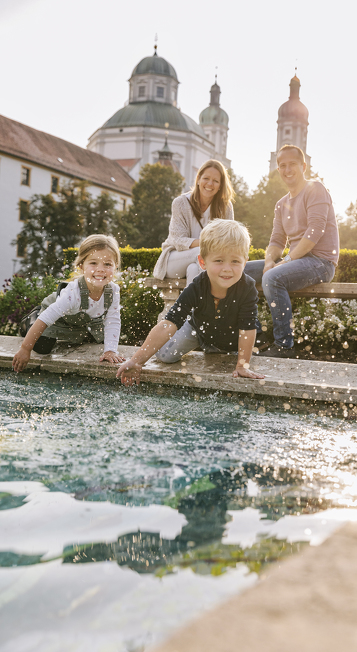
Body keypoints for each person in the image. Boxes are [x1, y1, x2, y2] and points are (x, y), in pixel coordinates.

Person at [116, 219, 265, 386]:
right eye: (219, 261)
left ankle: (225, 352)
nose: (227, 268)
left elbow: (247, 328)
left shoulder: (247, 287)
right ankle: (200, 341)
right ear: (203, 262)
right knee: (165, 356)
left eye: (235, 261)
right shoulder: (197, 286)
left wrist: (241, 365)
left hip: (231, 338)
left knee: (242, 359)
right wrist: (137, 361)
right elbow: (170, 322)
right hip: (198, 330)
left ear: (245, 262)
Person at [245, 145, 339, 358]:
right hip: (297, 261)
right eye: (282, 166)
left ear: (304, 166)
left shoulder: (316, 189)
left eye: (292, 164)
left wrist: (285, 261)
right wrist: (270, 260)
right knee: (239, 272)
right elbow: (277, 240)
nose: (287, 170)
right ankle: (256, 335)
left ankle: (284, 345)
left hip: (321, 263)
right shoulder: (281, 204)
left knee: (272, 278)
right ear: (278, 169)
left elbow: (315, 232)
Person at [12, 234, 125, 372]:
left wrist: (110, 350)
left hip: (82, 323)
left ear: (115, 267)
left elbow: (112, 320)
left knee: (98, 342)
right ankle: (30, 320)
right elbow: (47, 318)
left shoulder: (113, 291)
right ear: (81, 266)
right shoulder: (73, 293)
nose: (101, 269)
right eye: (93, 263)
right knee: (42, 347)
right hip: (56, 318)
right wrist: (25, 348)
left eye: (107, 264)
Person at [153, 159, 235, 285]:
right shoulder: (180, 203)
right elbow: (178, 240)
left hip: (204, 262)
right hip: (174, 260)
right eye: (206, 178)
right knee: (201, 252)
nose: (210, 183)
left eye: (215, 181)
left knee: (194, 269)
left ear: (220, 186)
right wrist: (208, 244)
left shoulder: (225, 207)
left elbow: (229, 241)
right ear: (198, 179)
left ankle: (191, 305)